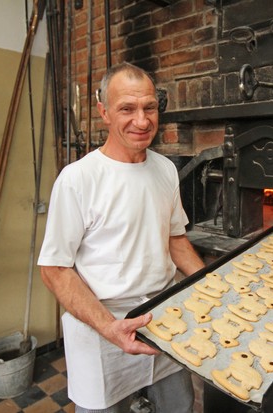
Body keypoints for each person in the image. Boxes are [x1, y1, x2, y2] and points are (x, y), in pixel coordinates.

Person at [38, 62, 205, 413]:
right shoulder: (78, 179)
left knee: (180, 408)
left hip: (163, 320)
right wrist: (109, 327)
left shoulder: (165, 169)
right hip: (103, 330)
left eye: (149, 108)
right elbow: (54, 269)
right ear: (104, 113)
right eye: (127, 109)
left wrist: (211, 284)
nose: (142, 121)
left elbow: (175, 239)